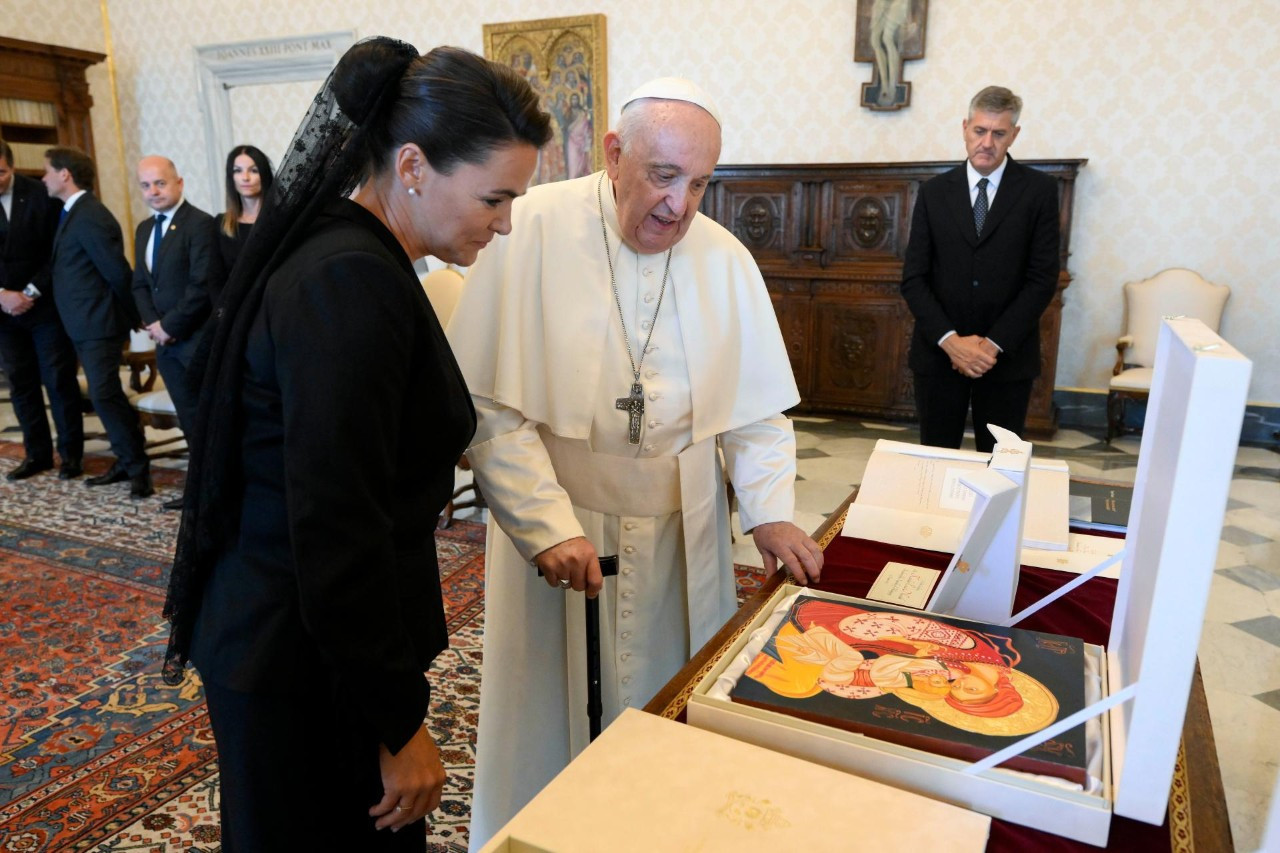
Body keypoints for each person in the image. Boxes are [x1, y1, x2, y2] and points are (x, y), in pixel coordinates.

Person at [159, 38, 550, 852]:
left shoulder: (353, 254)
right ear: (412, 165)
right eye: (495, 197)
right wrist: (399, 723)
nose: (506, 223)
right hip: (299, 659)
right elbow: (339, 529)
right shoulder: (349, 279)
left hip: (300, 642)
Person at [448, 77, 824, 849]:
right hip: (558, 524)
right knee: (547, 719)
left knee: (670, 713)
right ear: (614, 154)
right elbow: (491, 406)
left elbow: (754, 414)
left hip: (685, 533)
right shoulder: (529, 231)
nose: (680, 207)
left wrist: (770, 508)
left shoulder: (724, 259)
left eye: (699, 184)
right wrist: (545, 524)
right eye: (663, 177)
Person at [900, 85, 1060, 454]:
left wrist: (990, 346)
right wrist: (952, 342)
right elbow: (914, 278)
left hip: (1006, 358)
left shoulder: (1039, 191)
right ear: (965, 128)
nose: (987, 142)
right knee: (936, 462)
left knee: (1000, 466)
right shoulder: (934, 192)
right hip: (940, 356)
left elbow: (1041, 279)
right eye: (979, 131)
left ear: (1014, 135)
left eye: (998, 133)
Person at [43, 146, 152, 497]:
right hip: (80, 323)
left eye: (47, 171)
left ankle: (137, 468)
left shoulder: (90, 214)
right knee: (105, 396)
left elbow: (117, 272)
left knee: (105, 395)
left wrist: (137, 315)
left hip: (98, 323)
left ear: (64, 174)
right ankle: (126, 461)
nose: (43, 178)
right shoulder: (72, 213)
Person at [0, 139, 85, 481]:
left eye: (1, 172)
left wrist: (29, 292)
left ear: (12, 166)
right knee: (21, 383)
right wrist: (3, 295)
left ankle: (71, 456)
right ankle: (37, 455)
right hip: (3, 312)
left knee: (58, 380)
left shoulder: (39, 194)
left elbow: (57, 251)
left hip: (43, 304)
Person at [131, 156, 214, 441]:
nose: (152, 191)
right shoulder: (144, 229)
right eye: (145, 185)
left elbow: (201, 285)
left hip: (195, 340)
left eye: (160, 183)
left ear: (179, 183)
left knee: (208, 417)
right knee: (188, 417)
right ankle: (198, 480)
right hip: (164, 345)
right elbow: (140, 284)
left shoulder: (200, 224)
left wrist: (169, 327)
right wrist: (154, 324)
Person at [207, 145, 274, 305]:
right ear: (231, 177)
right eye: (237, 171)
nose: (245, 178)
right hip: (235, 312)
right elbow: (215, 279)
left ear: (264, 175)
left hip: (274, 307)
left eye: (253, 170)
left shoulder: (279, 220)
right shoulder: (221, 224)